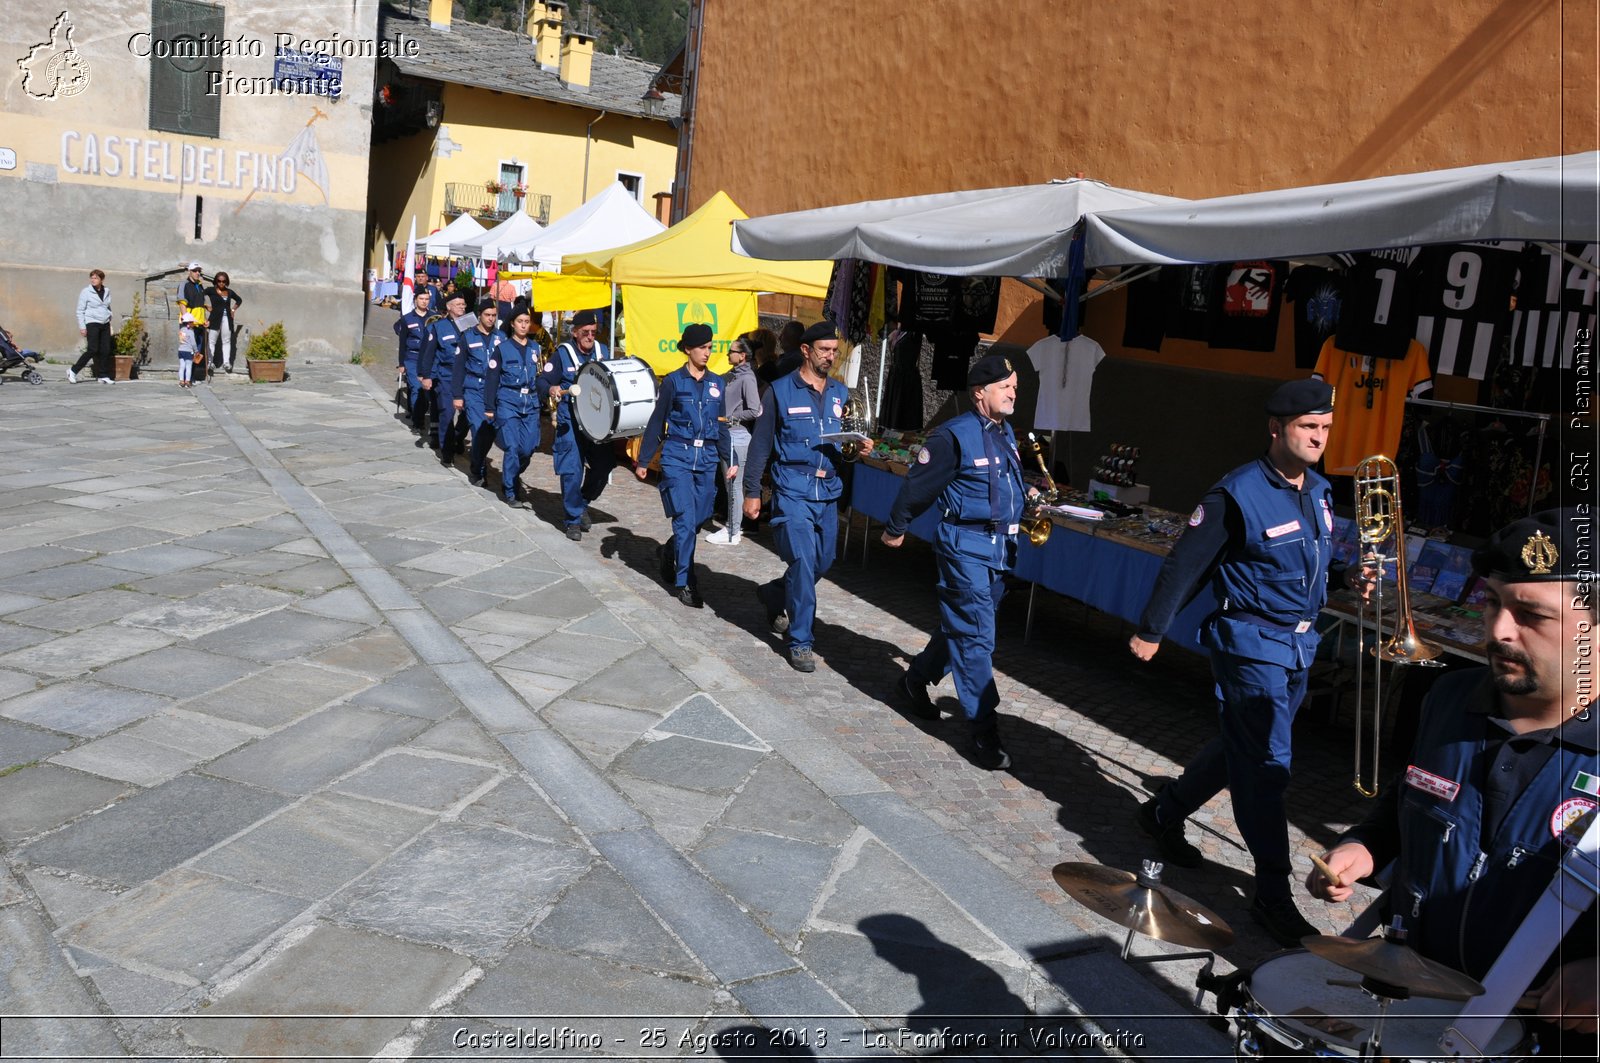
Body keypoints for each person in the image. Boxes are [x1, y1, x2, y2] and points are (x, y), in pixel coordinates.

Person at [1307, 508, 1597, 1051]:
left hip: (1544, 1037)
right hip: (1408, 1004)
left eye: (1532, 616)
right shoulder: (1448, 699)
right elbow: (1409, 802)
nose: (1498, 630)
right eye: (1493, 603)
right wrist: (1363, 847)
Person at [1127, 377, 1358, 947]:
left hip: (1299, 646)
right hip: (1251, 645)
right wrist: (1153, 629)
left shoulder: (1320, 491)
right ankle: (1272, 895)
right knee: (1266, 768)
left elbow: (1316, 566)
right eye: (1308, 428)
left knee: (1243, 745)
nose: (1319, 439)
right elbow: (1186, 563)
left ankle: (1165, 812)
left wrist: (1351, 578)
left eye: (1325, 428)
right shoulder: (1235, 494)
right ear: (1276, 428)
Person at [881, 354, 1029, 771]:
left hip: (1001, 551)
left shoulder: (1006, 432)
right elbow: (919, 484)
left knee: (962, 627)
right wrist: (897, 526)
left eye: (1014, 385)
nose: (1013, 392)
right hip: (965, 547)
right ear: (980, 392)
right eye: (1005, 386)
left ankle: (914, 681)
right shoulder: (954, 436)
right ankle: (983, 729)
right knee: (977, 637)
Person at [741, 320, 854, 673]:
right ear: (805, 351)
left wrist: (855, 448)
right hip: (792, 489)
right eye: (824, 350)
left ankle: (774, 594)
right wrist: (751, 491)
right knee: (804, 563)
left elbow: (844, 446)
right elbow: (760, 444)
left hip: (828, 491)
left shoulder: (840, 393)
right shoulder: (779, 391)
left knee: (824, 562)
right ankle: (801, 640)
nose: (830, 357)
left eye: (835, 351)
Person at [636, 324, 736, 608]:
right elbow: (657, 421)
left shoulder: (718, 383)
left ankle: (670, 551)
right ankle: (686, 581)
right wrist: (644, 459)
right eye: (702, 348)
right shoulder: (673, 382)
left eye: (710, 347)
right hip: (677, 456)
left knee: (699, 518)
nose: (708, 352)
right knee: (684, 519)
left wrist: (731, 459)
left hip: (706, 460)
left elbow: (722, 425)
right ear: (688, 349)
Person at [536, 309, 616, 541]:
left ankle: (581, 502)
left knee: (603, 467)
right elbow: (542, 381)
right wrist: (550, 389)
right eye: (585, 333)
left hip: (598, 422)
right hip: (571, 420)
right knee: (572, 471)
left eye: (593, 332)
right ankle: (572, 519)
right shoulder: (563, 353)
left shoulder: (603, 352)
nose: (590, 337)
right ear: (575, 333)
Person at [706, 331, 763, 547]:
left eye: (732, 351)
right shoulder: (735, 375)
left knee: (734, 485)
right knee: (732, 485)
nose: (728, 354)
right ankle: (732, 527)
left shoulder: (747, 378)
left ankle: (733, 531)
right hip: (729, 436)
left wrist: (731, 417)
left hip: (737, 436)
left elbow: (755, 409)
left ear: (743, 356)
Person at [484, 306, 543, 510]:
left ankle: (513, 474)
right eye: (520, 321)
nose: (524, 325)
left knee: (528, 448)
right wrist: (490, 406)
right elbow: (492, 379)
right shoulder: (502, 349)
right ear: (512, 324)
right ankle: (509, 490)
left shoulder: (536, 348)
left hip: (531, 403)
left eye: (527, 321)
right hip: (508, 401)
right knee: (513, 446)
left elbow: (540, 377)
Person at [450, 300, 501, 488]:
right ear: (479, 315)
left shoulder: (501, 337)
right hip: (474, 389)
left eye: (494, 315)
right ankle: (478, 470)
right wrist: (457, 395)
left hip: (494, 390)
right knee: (479, 429)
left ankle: (478, 459)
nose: (491, 319)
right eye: (488, 315)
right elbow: (458, 369)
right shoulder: (467, 337)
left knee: (491, 432)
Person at [419, 290, 469, 464]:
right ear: (448, 307)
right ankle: (447, 451)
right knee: (447, 413)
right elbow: (429, 354)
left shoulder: (471, 325)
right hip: (446, 376)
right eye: (458, 304)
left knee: (469, 413)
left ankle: (457, 436)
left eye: (463, 304)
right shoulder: (438, 327)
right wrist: (426, 375)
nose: (462, 307)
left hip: (467, 377)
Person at [393, 288, 432, 440]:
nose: (424, 301)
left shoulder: (434, 317)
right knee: (416, 387)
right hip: (412, 358)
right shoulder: (407, 318)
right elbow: (402, 342)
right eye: (421, 299)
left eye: (427, 299)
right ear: (415, 300)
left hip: (428, 358)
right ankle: (417, 422)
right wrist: (401, 363)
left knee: (426, 391)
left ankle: (420, 413)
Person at [71, 268, 113, 383]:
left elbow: (107, 306)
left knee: (105, 349)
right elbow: (80, 310)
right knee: (92, 349)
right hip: (92, 322)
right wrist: (82, 327)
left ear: (102, 279)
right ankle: (73, 371)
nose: (93, 280)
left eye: (96, 278)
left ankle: (103, 375)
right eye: (92, 278)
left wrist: (110, 317)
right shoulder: (86, 292)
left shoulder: (107, 291)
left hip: (105, 323)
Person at [205, 271, 243, 373]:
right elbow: (199, 295)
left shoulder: (229, 292)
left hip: (227, 319)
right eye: (219, 281)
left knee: (226, 340)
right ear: (216, 281)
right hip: (214, 319)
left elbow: (239, 300)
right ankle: (210, 362)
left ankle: (226, 362)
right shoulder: (211, 290)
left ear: (226, 282)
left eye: (224, 281)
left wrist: (233, 310)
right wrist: (205, 306)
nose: (221, 283)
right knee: (211, 341)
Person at [758, 320, 805, 390]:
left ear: (792, 338)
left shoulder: (792, 360)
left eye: (783, 335)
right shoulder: (788, 357)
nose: (779, 338)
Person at [179, 262, 209, 363]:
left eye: (199, 271)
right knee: (188, 353)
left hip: (199, 324)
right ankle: (186, 378)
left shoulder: (200, 286)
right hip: (189, 324)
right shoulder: (184, 284)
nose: (197, 273)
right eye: (195, 271)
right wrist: (187, 320)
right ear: (189, 271)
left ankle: (192, 377)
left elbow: (201, 304)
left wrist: (204, 319)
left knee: (197, 354)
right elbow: (182, 303)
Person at [176, 310, 200, 389]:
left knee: (182, 366)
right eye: (192, 322)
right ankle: (187, 381)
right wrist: (196, 351)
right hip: (188, 351)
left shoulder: (181, 330)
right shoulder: (190, 332)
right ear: (189, 323)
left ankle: (181, 381)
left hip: (181, 350)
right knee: (188, 366)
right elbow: (193, 343)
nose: (193, 324)